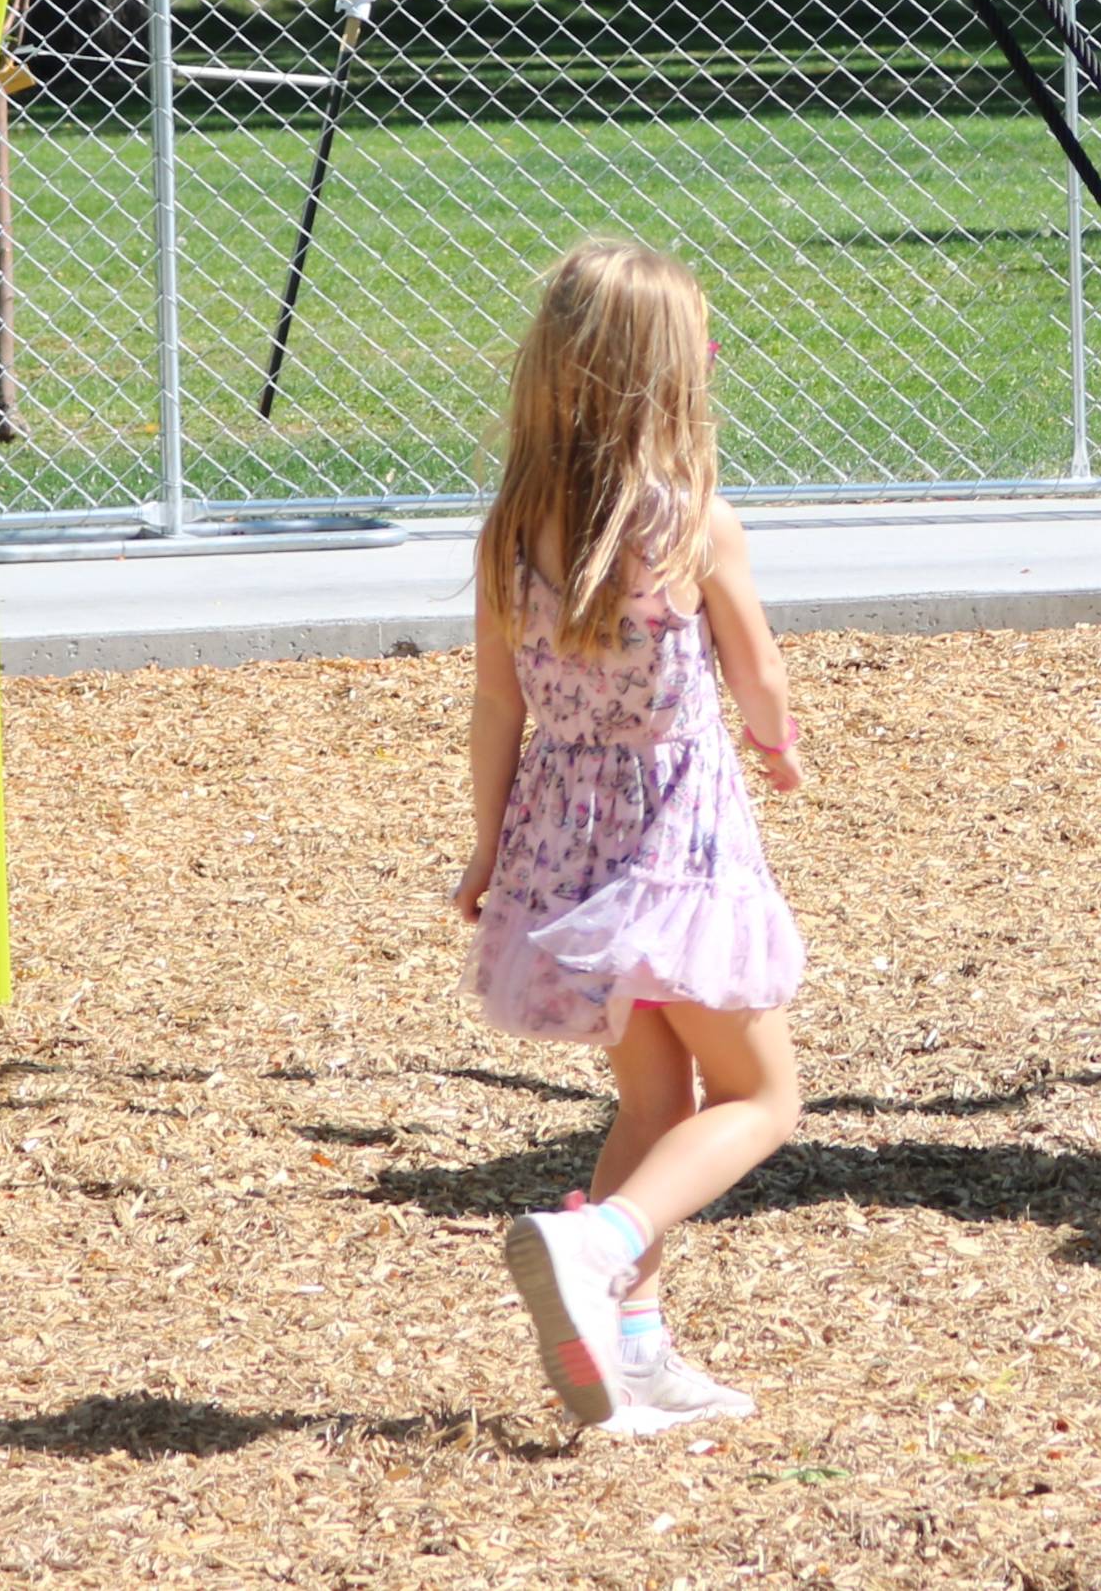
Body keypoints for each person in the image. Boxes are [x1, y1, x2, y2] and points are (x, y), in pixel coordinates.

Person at [457, 237, 809, 1432]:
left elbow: (495, 705)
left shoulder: (507, 532)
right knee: (762, 1097)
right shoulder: (695, 521)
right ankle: (599, 1240)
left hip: (566, 844)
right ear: (668, 375)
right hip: (676, 839)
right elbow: (754, 672)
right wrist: (777, 738)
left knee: (655, 1104)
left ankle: (636, 1347)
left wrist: (486, 848)